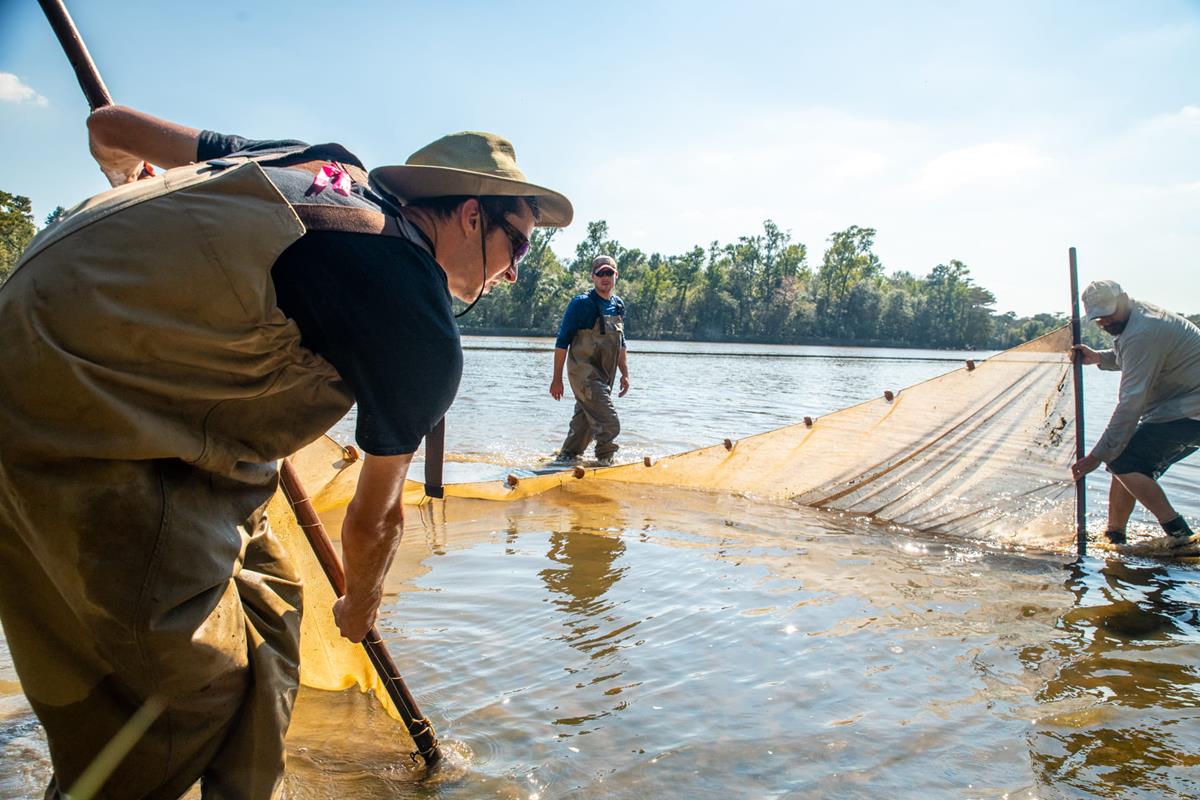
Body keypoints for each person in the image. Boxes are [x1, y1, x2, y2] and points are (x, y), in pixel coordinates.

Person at [0, 104, 571, 799]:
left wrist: (132, 194)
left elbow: (109, 128)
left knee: (274, 614)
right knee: (184, 700)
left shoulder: (317, 161)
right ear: (471, 217)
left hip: (163, 408)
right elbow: (373, 523)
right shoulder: (418, 327)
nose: (515, 272)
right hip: (72, 399)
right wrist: (361, 606)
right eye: (520, 245)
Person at [1070, 280, 1200, 547]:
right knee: (1125, 459)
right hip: (1177, 407)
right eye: (1098, 317)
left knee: (1122, 459)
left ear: (1125, 298)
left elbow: (1130, 404)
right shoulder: (1136, 320)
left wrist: (1096, 456)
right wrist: (1098, 358)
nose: (1105, 321)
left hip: (1191, 410)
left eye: (1108, 312)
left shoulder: (1145, 330)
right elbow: (1132, 355)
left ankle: (1182, 537)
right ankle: (1115, 536)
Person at [549, 255, 630, 465]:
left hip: (605, 375)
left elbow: (621, 343)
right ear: (592, 277)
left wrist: (625, 374)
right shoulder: (581, 304)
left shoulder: (618, 305)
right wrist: (557, 379)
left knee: (584, 425)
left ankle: (565, 459)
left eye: (609, 273)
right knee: (609, 422)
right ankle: (605, 462)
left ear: (616, 275)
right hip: (583, 374)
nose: (605, 277)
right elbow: (562, 342)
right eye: (600, 273)